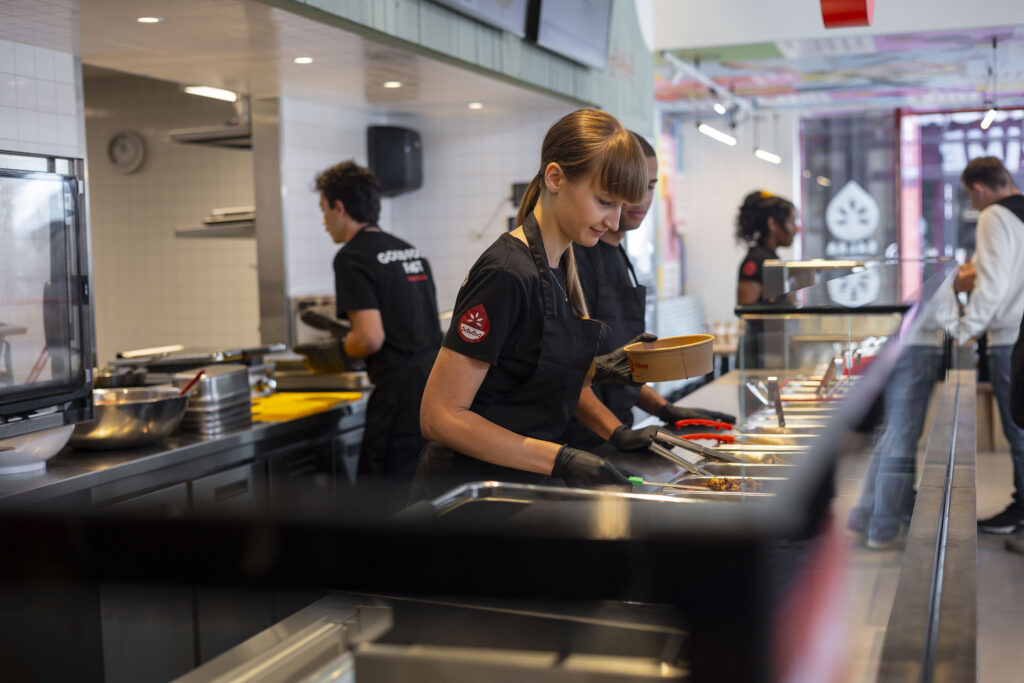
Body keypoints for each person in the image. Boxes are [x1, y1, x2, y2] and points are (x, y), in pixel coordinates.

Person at [410, 109, 651, 502]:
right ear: (555, 178)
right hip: (468, 497)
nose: (614, 221)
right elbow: (439, 416)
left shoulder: (564, 265)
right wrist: (561, 459)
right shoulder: (506, 272)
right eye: (605, 201)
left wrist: (600, 371)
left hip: (519, 488)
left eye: (621, 206)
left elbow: (522, 376)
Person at [562, 132, 735, 452]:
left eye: (651, 186)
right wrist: (616, 434)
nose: (642, 198)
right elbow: (567, 375)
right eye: (632, 186)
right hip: (581, 444)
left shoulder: (620, 256)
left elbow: (617, 369)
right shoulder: (576, 260)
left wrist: (665, 409)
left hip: (616, 433)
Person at [314, 161, 442, 502]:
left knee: (382, 501)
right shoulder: (410, 251)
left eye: (323, 210)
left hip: (397, 398)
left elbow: (369, 338)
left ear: (339, 208)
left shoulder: (351, 257)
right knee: (422, 492)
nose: (324, 221)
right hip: (435, 390)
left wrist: (338, 352)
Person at [945, 157, 1024, 534]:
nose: (972, 204)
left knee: (1018, 428)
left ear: (977, 188)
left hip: (1010, 336)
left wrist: (965, 330)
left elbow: (992, 283)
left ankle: (1022, 512)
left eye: (969, 196)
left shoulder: (994, 216)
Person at [735, 191, 798, 306]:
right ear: (772, 223)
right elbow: (745, 310)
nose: (796, 229)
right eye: (791, 222)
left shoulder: (770, 258)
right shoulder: (756, 260)